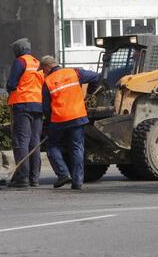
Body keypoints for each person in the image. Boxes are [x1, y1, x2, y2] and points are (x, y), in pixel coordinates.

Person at [40, 55, 99, 190]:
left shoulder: (48, 82)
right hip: (78, 116)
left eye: (43, 69)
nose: (43, 72)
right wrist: (90, 92)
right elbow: (96, 77)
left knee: (52, 147)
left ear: (48, 67)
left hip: (59, 119)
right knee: (77, 148)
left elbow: (46, 107)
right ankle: (78, 181)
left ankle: (63, 173)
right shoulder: (74, 72)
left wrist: (49, 122)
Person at [6, 38, 44, 187]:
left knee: (22, 141)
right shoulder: (37, 62)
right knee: (35, 142)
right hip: (38, 104)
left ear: (18, 50)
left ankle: (23, 178)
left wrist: (10, 89)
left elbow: (11, 84)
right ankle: (34, 179)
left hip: (22, 104)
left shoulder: (20, 61)